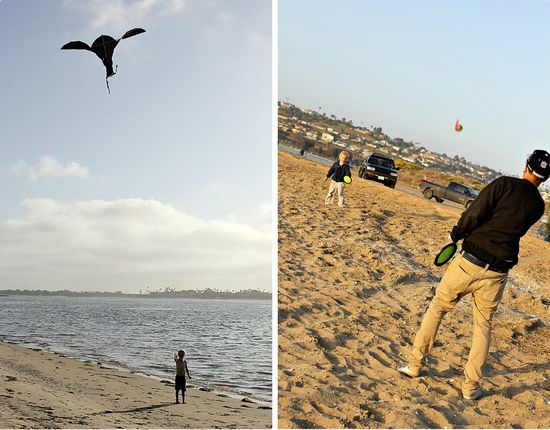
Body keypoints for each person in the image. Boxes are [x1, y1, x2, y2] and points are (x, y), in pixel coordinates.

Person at [398, 149, 550, 400]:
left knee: (437, 309)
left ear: (526, 165)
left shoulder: (504, 184)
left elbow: (476, 212)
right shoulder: (538, 206)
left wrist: (455, 234)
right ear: (544, 178)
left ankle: (415, 365)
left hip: (470, 261)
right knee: (483, 327)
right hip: (498, 271)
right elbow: (516, 230)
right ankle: (470, 387)